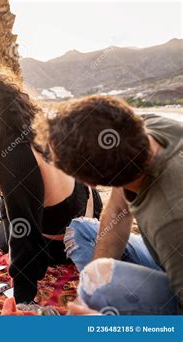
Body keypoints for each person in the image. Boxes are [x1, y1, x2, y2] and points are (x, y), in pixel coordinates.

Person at [37, 95, 183, 315]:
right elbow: (118, 209)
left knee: (98, 287)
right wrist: (89, 290)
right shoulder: (146, 130)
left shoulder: (171, 222)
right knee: (80, 231)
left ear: (89, 184)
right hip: (169, 256)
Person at [0, 68, 102, 304]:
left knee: (3, 232)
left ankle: (36, 248)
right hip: (87, 213)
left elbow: (24, 230)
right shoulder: (44, 130)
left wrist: (23, 297)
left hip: (67, 244)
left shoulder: (15, 155)